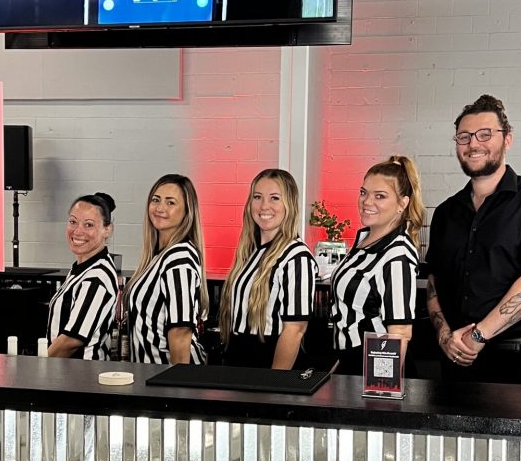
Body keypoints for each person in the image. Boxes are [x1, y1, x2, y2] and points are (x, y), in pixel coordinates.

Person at [425, 93, 521, 385]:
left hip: (520, 368)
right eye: (464, 137)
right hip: (456, 361)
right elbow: (434, 284)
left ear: (507, 139)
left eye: (485, 134)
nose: (473, 144)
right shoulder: (446, 212)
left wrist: (478, 335)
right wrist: (444, 336)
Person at [329, 156, 422, 375]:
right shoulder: (364, 239)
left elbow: (399, 332)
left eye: (380, 196)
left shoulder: (397, 254)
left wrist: (380, 393)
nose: (367, 202)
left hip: (377, 370)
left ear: (403, 203)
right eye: (363, 192)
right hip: (351, 361)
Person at [218, 169, 317, 369]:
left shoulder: (296, 256)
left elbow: (295, 330)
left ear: (288, 205)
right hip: (239, 360)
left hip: (267, 364)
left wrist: (274, 384)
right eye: (257, 197)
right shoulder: (252, 251)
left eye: (274, 198)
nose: (264, 206)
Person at [127, 174, 207, 365]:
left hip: (168, 377)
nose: (160, 208)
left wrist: (177, 389)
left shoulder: (178, 257)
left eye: (171, 203)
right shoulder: (159, 256)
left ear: (187, 212)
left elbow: (180, 331)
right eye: (156, 200)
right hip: (151, 374)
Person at [47, 192, 120, 359]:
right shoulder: (82, 269)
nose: (78, 231)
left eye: (88, 225)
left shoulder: (97, 277)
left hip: (80, 378)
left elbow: (72, 341)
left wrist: (38, 367)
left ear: (107, 230)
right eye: (73, 222)